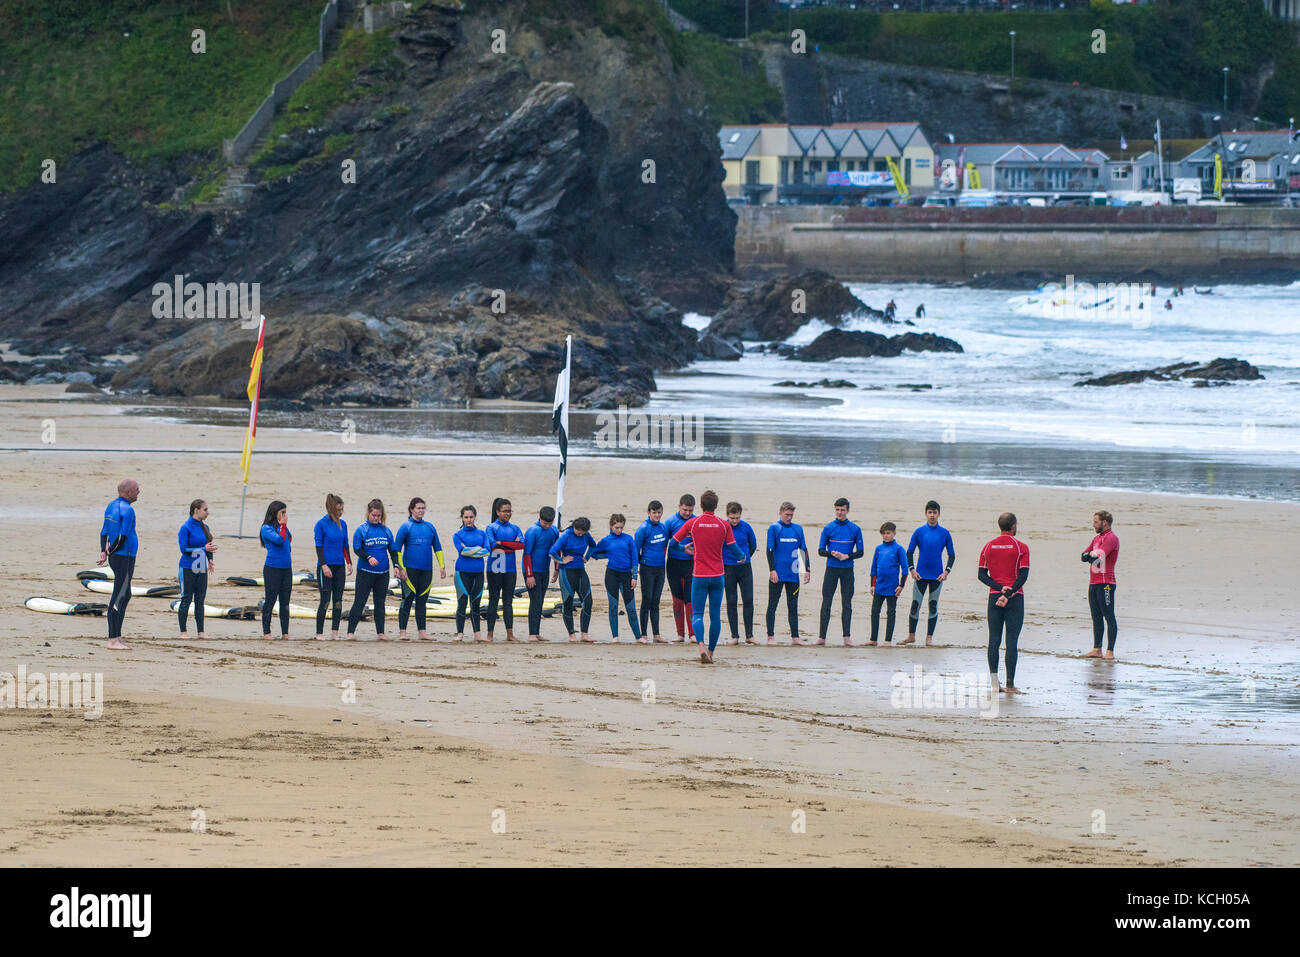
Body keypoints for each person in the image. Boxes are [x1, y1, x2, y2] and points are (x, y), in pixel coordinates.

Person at [672, 490, 745, 663]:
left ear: (701, 505)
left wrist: (684, 549)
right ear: (716, 506)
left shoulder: (693, 523)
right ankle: (711, 652)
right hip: (718, 575)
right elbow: (734, 549)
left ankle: (701, 646)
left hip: (699, 575)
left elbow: (672, 543)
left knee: (697, 613)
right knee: (714, 615)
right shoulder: (723, 524)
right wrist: (742, 556)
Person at [978, 512, 1030, 695]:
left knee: (994, 640)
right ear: (1014, 526)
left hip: (995, 597)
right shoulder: (1021, 547)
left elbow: (981, 575)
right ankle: (1010, 685)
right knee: (1011, 641)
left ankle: (994, 684)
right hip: (1015, 598)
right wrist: (1009, 592)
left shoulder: (988, 546)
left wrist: (1000, 589)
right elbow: (1023, 576)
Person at [904, 500, 956, 646]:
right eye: (930, 512)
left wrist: (946, 572)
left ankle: (929, 639)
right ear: (926, 513)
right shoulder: (919, 531)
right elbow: (909, 552)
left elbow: (952, 555)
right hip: (920, 575)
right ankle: (911, 636)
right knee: (915, 605)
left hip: (937, 576)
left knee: (933, 605)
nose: (932, 515)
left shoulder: (944, 533)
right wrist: (912, 570)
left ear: (939, 514)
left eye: (935, 512)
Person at [347, 499, 399, 641]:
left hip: (382, 574)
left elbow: (393, 550)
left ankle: (380, 633)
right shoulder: (362, 530)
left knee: (380, 603)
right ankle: (350, 633)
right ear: (368, 514)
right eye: (373, 515)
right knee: (360, 602)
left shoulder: (386, 531)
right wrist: (368, 557)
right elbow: (357, 549)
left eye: (378, 516)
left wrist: (396, 565)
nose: (376, 518)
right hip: (365, 573)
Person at [97, 478, 140, 651]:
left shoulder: (111, 506)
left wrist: (103, 550)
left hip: (118, 557)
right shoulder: (128, 510)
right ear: (128, 492)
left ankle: (117, 636)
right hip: (124, 556)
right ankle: (112, 639)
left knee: (125, 593)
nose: (139, 492)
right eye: (136, 489)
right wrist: (109, 551)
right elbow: (122, 537)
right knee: (120, 595)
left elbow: (104, 532)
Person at [394, 497, 445, 641]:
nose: (421, 510)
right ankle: (402, 632)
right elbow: (397, 549)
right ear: (412, 510)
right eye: (418, 508)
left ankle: (422, 632)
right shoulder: (406, 527)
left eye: (423, 508)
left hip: (426, 570)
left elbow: (438, 548)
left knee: (422, 600)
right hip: (409, 570)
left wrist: (442, 566)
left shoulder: (429, 527)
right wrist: (400, 568)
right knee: (408, 599)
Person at [817, 498, 865, 646]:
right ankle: (821, 637)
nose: (840, 512)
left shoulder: (855, 529)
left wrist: (847, 556)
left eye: (842, 510)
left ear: (847, 510)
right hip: (831, 569)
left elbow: (861, 552)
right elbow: (820, 551)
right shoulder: (828, 528)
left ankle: (846, 637)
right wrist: (831, 554)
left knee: (847, 603)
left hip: (847, 570)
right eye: (837, 509)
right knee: (826, 602)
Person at [590, 514, 642, 643]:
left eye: (621, 527)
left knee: (631, 608)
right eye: (616, 527)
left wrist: (634, 576)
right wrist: (608, 555)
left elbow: (635, 559)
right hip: (612, 575)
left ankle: (638, 636)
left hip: (627, 576)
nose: (619, 530)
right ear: (611, 526)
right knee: (613, 606)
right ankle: (615, 636)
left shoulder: (629, 539)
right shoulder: (606, 541)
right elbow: (594, 553)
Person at [765, 502, 810, 645]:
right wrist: (772, 570)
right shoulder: (774, 528)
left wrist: (806, 570)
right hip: (777, 573)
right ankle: (770, 637)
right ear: (780, 513)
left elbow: (802, 550)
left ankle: (795, 637)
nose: (789, 517)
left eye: (791, 515)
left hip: (793, 574)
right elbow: (769, 550)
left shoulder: (798, 529)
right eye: (787, 515)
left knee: (793, 606)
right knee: (773, 605)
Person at [484, 498, 524, 642]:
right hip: (495, 567)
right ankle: (490, 634)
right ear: (497, 512)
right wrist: (511, 544)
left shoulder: (515, 528)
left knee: (508, 602)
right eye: (505, 511)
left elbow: (522, 545)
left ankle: (510, 634)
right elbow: (493, 546)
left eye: (509, 511)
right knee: (493, 600)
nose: (508, 514)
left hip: (510, 568)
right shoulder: (491, 527)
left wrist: (503, 543)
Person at [549, 517, 596, 642]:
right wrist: (561, 561)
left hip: (580, 571)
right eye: (578, 531)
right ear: (574, 527)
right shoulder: (566, 535)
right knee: (568, 603)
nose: (580, 534)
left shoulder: (586, 535)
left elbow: (593, 546)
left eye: (583, 532)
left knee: (588, 601)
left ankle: (584, 634)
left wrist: (587, 557)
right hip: (567, 572)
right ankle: (571, 634)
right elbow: (552, 551)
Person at [1081, 509, 1119, 660]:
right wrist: (1091, 555)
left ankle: (1110, 651)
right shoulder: (1097, 538)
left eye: (1096, 522)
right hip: (1094, 582)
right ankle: (1097, 649)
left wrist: (1092, 556)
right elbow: (1084, 555)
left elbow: (1098, 559)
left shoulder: (1111, 538)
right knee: (1096, 616)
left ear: (1105, 522)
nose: (1093, 525)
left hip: (1106, 583)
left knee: (1108, 616)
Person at [313, 493, 352, 640]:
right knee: (325, 600)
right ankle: (319, 632)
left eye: (342, 509)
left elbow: (345, 545)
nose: (340, 512)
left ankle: (335, 632)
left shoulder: (343, 524)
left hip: (339, 566)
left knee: (338, 600)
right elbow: (319, 546)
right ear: (331, 509)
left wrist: (349, 563)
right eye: (338, 510)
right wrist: (323, 565)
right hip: (325, 567)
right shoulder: (321, 524)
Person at [177, 499, 217, 639]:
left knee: (200, 600)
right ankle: (183, 632)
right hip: (187, 567)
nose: (208, 512)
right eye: (205, 509)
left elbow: (208, 545)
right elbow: (184, 550)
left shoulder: (205, 527)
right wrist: (202, 549)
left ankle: (201, 632)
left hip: (201, 567)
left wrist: (210, 559)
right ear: (196, 510)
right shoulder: (185, 528)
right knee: (186, 599)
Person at [452, 505, 489, 642]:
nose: (469, 520)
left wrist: (470, 550)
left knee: (475, 604)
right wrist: (477, 549)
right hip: (462, 573)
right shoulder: (457, 535)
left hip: (478, 573)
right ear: (462, 518)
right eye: (466, 517)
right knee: (462, 603)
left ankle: (477, 635)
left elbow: (486, 551)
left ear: (475, 517)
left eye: (471, 517)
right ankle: (460, 633)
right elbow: (462, 552)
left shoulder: (482, 534)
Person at [522, 506, 559, 642]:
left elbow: (556, 550)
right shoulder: (532, 531)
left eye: (549, 523)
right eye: (545, 523)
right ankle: (532, 633)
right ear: (540, 518)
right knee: (535, 601)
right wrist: (529, 575)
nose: (547, 526)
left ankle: (536, 633)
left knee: (540, 601)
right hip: (531, 570)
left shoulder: (553, 530)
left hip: (544, 569)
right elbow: (527, 554)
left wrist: (556, 569)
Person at [868, 522, 909, 646]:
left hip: (893, 588)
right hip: (879, 586)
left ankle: (887, 641)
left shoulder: (899, 549)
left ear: (894, 533)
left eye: (888, 533)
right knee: (875, 612)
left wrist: (901, 586)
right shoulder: (878, 549)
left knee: (891, 613)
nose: (886, 536)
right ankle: (873, 639)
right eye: (884, 533)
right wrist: (872, 584)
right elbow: (874, 567)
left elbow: (905, 569)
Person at [723, 502, 758, 645]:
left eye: (737, 518)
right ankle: (734, 636)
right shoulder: (723, 527)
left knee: (748, 599)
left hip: (744, 568)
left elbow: (753, 545)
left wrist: (744, 558)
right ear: (727, 516)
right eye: (732, 518)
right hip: (728, 568)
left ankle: (749, 635)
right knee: (731, 601)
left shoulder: (746, 527)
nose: (735, 521)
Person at [635, 501, 670, 643]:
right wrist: (639, 565)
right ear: (649, 513)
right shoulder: (643, 528)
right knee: (647, 599)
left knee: (656, 601)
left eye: (659, 512)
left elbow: (665, 546)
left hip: (660, 568)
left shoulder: (663, 528)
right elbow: (635, 550)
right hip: (647, 568)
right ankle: (643, 634)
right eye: (654, 512)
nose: (656, 515)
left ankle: (656, 634)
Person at [663, 494, 697, 642]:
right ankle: (680, 634)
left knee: (689, 600)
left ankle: (692, 634)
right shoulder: (670, 522)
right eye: (685, 510)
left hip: (691, 564)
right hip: (673, 564)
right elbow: (664, 544)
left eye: (690, 510)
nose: (687, 513)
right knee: (677, 599)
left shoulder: (696, 521)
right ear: (679, 506)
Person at [259, 500, 293, 640]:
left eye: (285, 512)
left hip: (286, 569)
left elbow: (287, 539)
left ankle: (285, 632)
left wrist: (283, 527)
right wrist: (283, 526)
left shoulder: (282, 527)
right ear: (275, 513)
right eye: (282, 513)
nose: (285, 515)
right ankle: (267, 632)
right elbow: (279, 540)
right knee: (270, 600)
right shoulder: (266, 528)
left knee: (285, 602)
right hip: (272, 568)